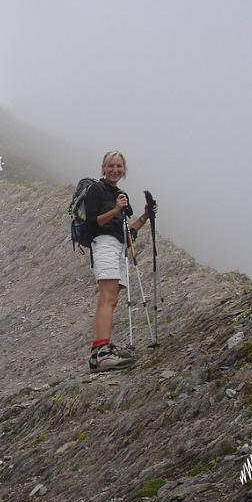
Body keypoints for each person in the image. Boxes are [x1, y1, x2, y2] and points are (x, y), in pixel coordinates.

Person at [82, 150, 157, 372]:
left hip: (118, 245)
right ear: (103, 168)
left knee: (110, 299)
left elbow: (127, 231)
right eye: (111, 166)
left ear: (124, 170)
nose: (115, 170)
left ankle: (98, 352)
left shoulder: (120, 194)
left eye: (119, 166)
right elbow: (92, 224)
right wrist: (115, 209)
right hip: (103, 244)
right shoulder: (96, 190)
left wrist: (144, 216)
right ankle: (103, 353)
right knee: (108, 297)